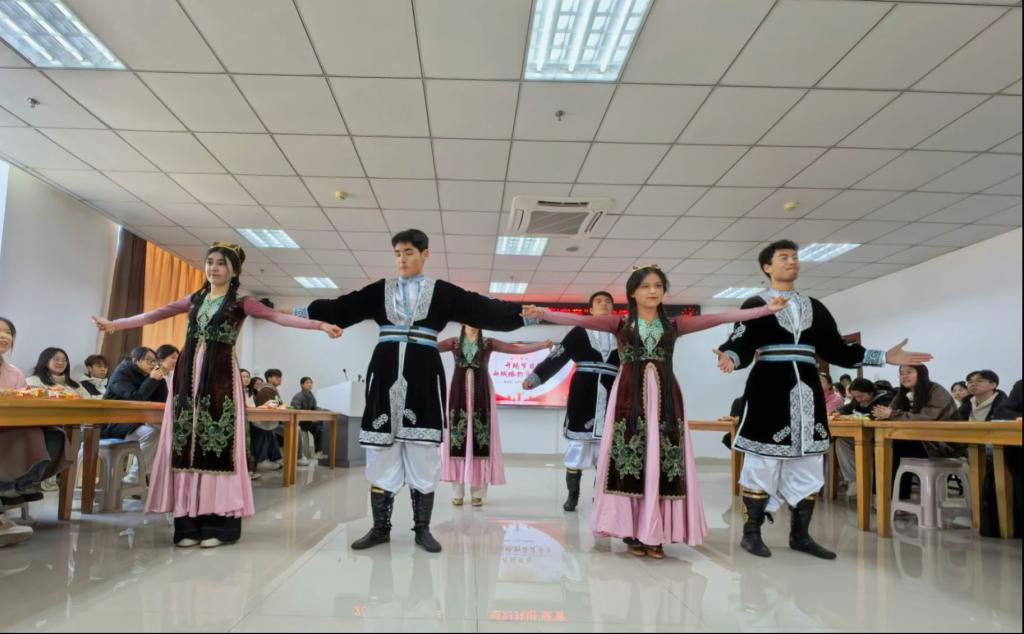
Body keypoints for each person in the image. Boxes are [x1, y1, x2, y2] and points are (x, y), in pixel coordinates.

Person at [291, 229, 532, 553]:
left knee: (422, 452)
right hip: (385, 372)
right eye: (397, 253)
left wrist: (524, 314)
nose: (402, 259)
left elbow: (481, 308)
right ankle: (380, 528)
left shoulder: (441, 292)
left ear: (424, 254)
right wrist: (302, 313)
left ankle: (422, 529)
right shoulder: (380, 290)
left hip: (422, 374)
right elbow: (343, 307)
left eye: (408, 252)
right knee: (381, 453)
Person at [523, 266, 784, 559]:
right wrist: (543, 313)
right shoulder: (619, 324)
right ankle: (631, 530)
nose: (652, 291)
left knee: (663, 460)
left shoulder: (673, 325)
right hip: (628, 398)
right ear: (633, 292)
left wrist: (764, 310)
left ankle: (657, 532)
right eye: (645, 286)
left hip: (666, 398)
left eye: (658, 286)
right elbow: (577, 319)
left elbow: (720, 317)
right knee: (629, 459)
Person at [92, 242, 341, 548]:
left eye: (221, 263)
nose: (214, 267)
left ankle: (218, 525)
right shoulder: (194, 300)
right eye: (210, 261)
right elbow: (155, 314)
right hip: (187, 380)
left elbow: (278, 317)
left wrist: (319, 325)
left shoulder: (241, 303)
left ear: (234, 270)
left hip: (220, 378)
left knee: (216, 445)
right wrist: (115, 325)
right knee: (186, 446)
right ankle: (187, 525)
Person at [715, 239, 931, 560]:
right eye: (784, 257)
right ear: (767, 267)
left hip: (808, 392)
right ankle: (752, 533)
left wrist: (883, 356)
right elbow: (742, 341)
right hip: (768, 389)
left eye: (795, 257)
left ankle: (801, 536)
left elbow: (838, 350)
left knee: (809, 464)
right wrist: (731, 357)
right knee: (762, 461)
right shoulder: (755, 303)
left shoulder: (815, 306)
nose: (792, 261)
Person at [522, 291, 620, 512]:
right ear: (591, 309)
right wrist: (535, 378)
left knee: (607, 450)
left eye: (608, 301)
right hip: (583, 392)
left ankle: (601, 497)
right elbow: (559, 355)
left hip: (612, 391)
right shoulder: (579, 331)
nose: (604, 304)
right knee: (577, 446)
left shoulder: (621, 334)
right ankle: (572, 495)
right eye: (598, 301)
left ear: (612, 308)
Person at [440, 325, 551, 507]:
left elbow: (515, 350)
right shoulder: (453, 342)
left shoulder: (488, 343)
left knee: (481, 439)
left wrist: (541, 345)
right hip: (457, 394)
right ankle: (457, 492)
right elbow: (430, 346)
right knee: (456, 440)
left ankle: (478, 492)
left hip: (482, 394)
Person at [0, 317, 68, 545]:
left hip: (12, 427)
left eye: (8, 332)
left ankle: (21, 484)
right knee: (29, 434)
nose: (4, 336)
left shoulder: (14, 373)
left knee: (55, 434)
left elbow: (24, 402)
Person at [101, 346, 168, 485]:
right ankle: (135, 478)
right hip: (114, 423)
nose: (153, 364)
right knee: (151, 433)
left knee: (166, 431)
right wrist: (152, 380)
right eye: (149, 360)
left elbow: (163, 401)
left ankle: (149, 477)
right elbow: (135, 397)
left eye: (155, 361)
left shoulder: (147, 374)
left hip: (135, 421)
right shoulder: (121, 374)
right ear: (136, 360)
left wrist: (159, 381)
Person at [833, 378, 893, 497]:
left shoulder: (885, 399)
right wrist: (839, 412)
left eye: (861, 396)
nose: (858, 399)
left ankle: (867, 484)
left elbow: (875, 416)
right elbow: (847, 408)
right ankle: (854, 479)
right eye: (855, 397)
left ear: (871, 392)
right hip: (862, 435)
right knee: (841, 441)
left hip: (880, 438)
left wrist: (855, 417)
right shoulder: (857, 400)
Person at [290, 376, 326, 465]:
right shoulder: (298, 396)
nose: (310, 384)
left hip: (308, 421)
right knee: (318, 425)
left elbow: (314, 407)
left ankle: (318, 452)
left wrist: (321, 410)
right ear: (302, 385)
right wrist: (309, 414)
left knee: (320, 426)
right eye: (307, 383)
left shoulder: (311, 395)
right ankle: (311, 453)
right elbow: (296, 410)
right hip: (300, 422)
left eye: (311, 383)